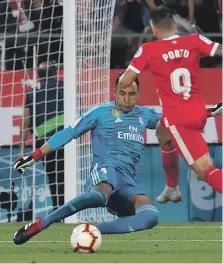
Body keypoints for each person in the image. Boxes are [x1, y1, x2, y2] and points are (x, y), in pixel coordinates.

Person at [13, 72, 160, 245]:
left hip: (128, 183)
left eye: (132, 94)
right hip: (105, 170)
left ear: (139, 94)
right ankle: (41, 223)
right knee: (101, 195)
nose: (126, 99)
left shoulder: (145, 115)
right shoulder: (100, 112)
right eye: (122, 93)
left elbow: (170, 124)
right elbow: (68, 132)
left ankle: (93, 230)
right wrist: (35, 155)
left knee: (151, 215)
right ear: (115, 92)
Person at [119, 6, 222, 194]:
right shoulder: (195, 40)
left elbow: (125, 81)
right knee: (162, 132)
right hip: (198, 111)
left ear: (154, 30)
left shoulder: (149, 50)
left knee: (204, 170)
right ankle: (172, 187)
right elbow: (220, 51)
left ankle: (172, 187)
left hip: (179, 118)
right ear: (175, 25)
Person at [18, 61, 64, 210]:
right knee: (65, 176)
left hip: (44, 143)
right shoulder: (67, 88)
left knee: (53, 176)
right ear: (56, 72)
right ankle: (67, 209)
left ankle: (58, 208)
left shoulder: (32, 93)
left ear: (38, 75)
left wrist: (21, 150)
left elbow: (25, 122)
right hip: (66, 138)